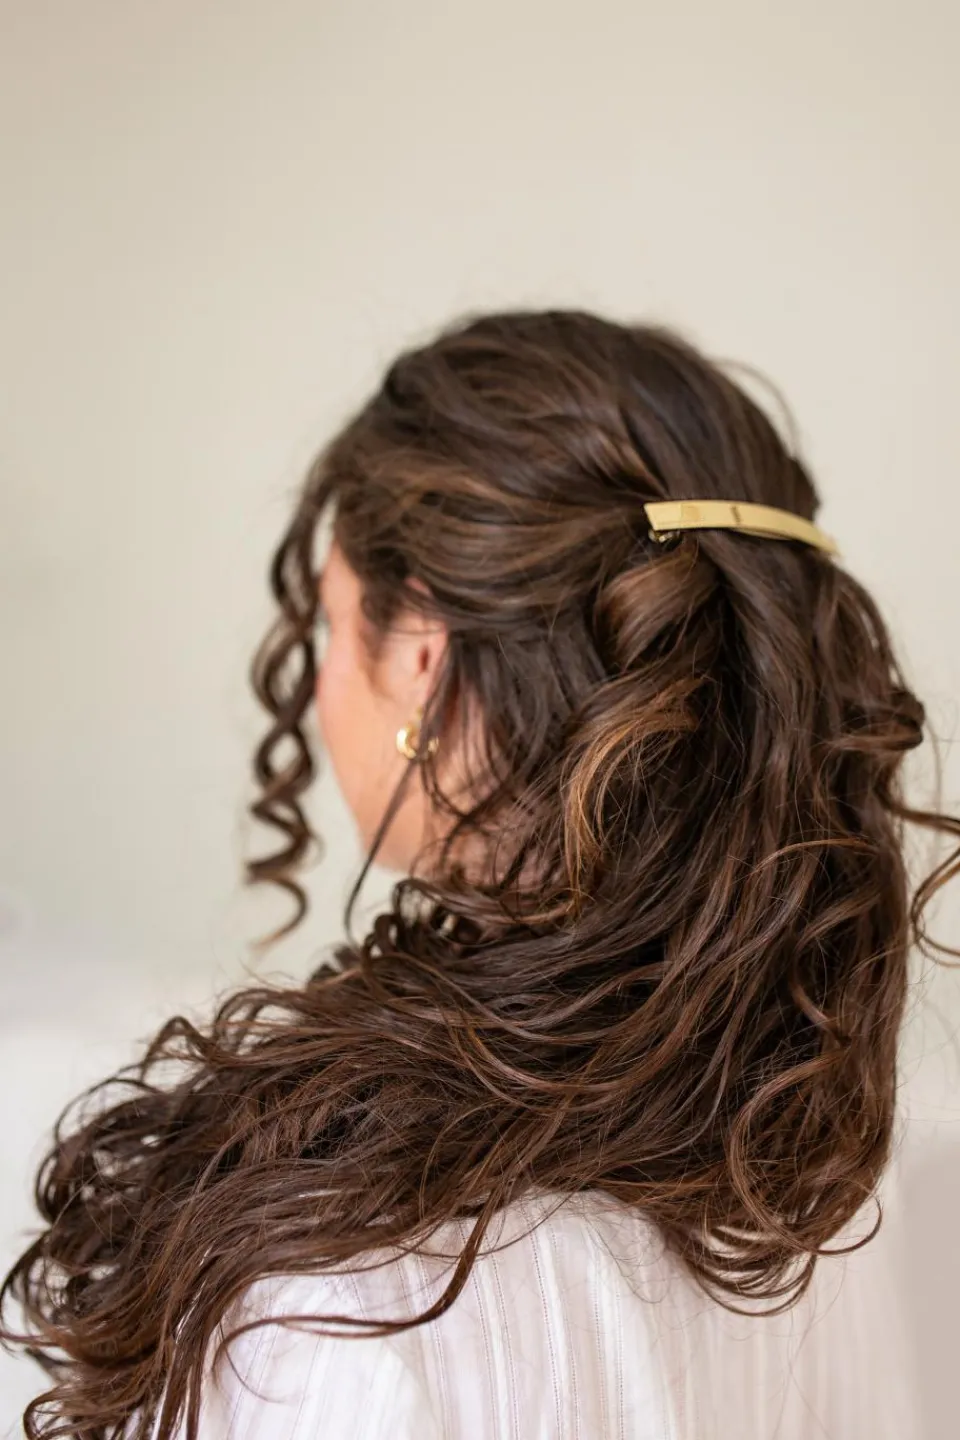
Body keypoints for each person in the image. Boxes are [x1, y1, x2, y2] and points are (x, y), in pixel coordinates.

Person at [1, 310, 955, 1439]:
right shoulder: (826, 1179)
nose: (318, 687)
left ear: (423, 655)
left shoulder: (333, 1312)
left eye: (331, 622)